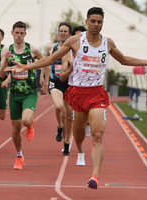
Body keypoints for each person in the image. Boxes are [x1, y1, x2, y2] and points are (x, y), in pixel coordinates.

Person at [6, 7, 147, 189]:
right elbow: (51, 59)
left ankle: (94, 177)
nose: (96, 25)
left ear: (102, 23)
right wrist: (26, 67)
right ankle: (81, 149)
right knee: (79, 135)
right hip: (77, 93)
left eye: (99, 22)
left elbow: (123, 60)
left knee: (98, 136)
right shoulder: (75, 41)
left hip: (96, 93)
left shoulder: (107, 43)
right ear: (87, 22)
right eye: (93, 21)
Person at [0, 21, 49, 170]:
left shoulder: (32, 49)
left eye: (22, 33)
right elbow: (1, 74)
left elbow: (46, 63)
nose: (19, 35)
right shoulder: (6, 50)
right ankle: (19, 156)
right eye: (17, 33)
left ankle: (30, 125)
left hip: (29, 93)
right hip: (14, 94)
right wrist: (6, 60)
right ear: (12, 33)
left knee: (26, 120)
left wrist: (44, 81)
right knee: (15, 130)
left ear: (25, 34)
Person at [60, 25, 88, 160]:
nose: (80, 38)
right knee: (69, 117)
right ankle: (66, 142)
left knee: (83, 120)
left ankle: (86, 125)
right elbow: (61, 77)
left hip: (89, 91)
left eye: (82, 35)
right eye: (77, 36)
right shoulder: (67, 54)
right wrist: (71, 69)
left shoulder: (92, 51)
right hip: (72, 89)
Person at [46, 22, 72, 155]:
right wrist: (44, 80)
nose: (62, 33)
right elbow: (47, 62)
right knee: (58, 107)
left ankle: (66, 143)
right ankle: (60, 126)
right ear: (58, 33)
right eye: (61, 31)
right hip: (55, 82)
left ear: (69, 34)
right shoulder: (51, 47)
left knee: (68, 116)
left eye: (65, 31)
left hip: (69, 84)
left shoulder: (73, 50)